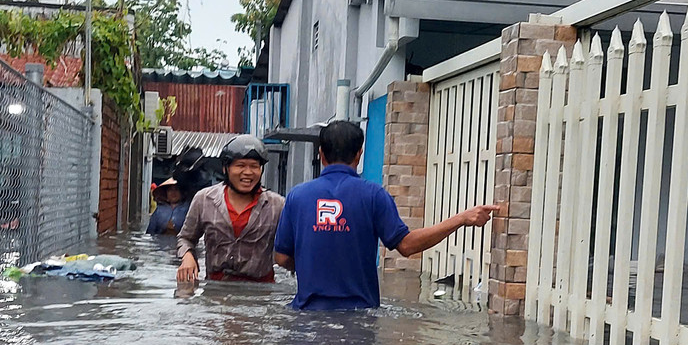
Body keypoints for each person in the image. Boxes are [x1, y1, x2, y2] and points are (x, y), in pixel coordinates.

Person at [274, 120, 498, 310]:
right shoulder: (374, 195)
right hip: (359, 314)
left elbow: (281, 258)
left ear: (321, 154)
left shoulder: (297, 196)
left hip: (307, 313)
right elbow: (407, 246)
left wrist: (307, 264)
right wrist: (461, 219)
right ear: (359, 155)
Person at [177, 135, 286, 284]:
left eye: (254, 166)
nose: (248, 172)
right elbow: (186, 238)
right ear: (226, 168)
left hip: (261, 293)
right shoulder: (204, 199)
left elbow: (292, 248)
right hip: (216, 290)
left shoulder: (277, 205)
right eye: (240, 165)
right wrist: (188, 256)